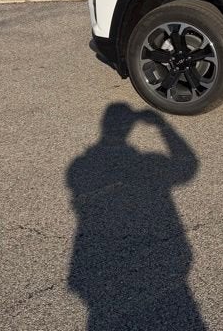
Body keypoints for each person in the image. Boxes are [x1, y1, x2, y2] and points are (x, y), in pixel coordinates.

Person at [66, 103, 204, 330]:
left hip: (97, 274)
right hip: (165, 267)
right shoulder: (142, 161)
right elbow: (187, 167)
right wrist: (163, 127)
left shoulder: (80, 165)